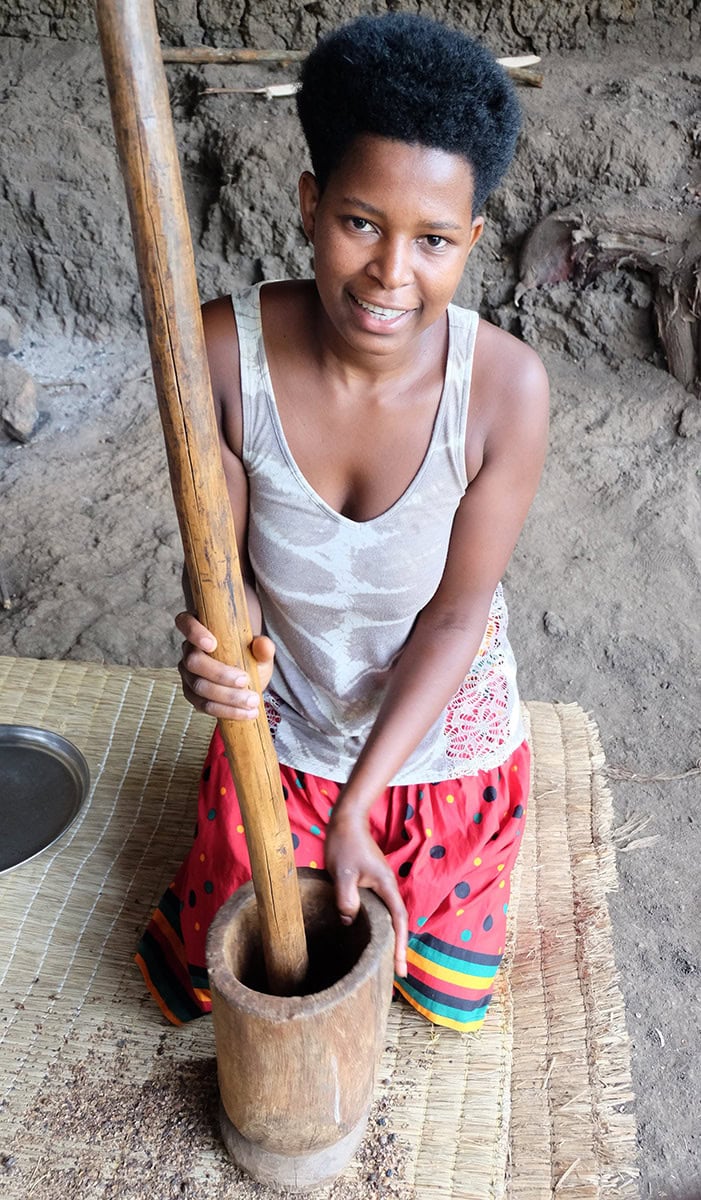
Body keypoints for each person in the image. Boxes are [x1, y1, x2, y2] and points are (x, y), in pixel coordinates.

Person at [136, 12, 549, 1032]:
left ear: (471, 242)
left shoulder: (504, 391)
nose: (390, 273)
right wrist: (219, 654)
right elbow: (220, 571)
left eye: (433, 240)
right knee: (230, 971)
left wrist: (363, 802)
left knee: (441, 991)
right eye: (361, 222)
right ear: (310, 204)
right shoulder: (219, 355)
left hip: (435, 742)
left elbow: (455, 617)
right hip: (286, 731)